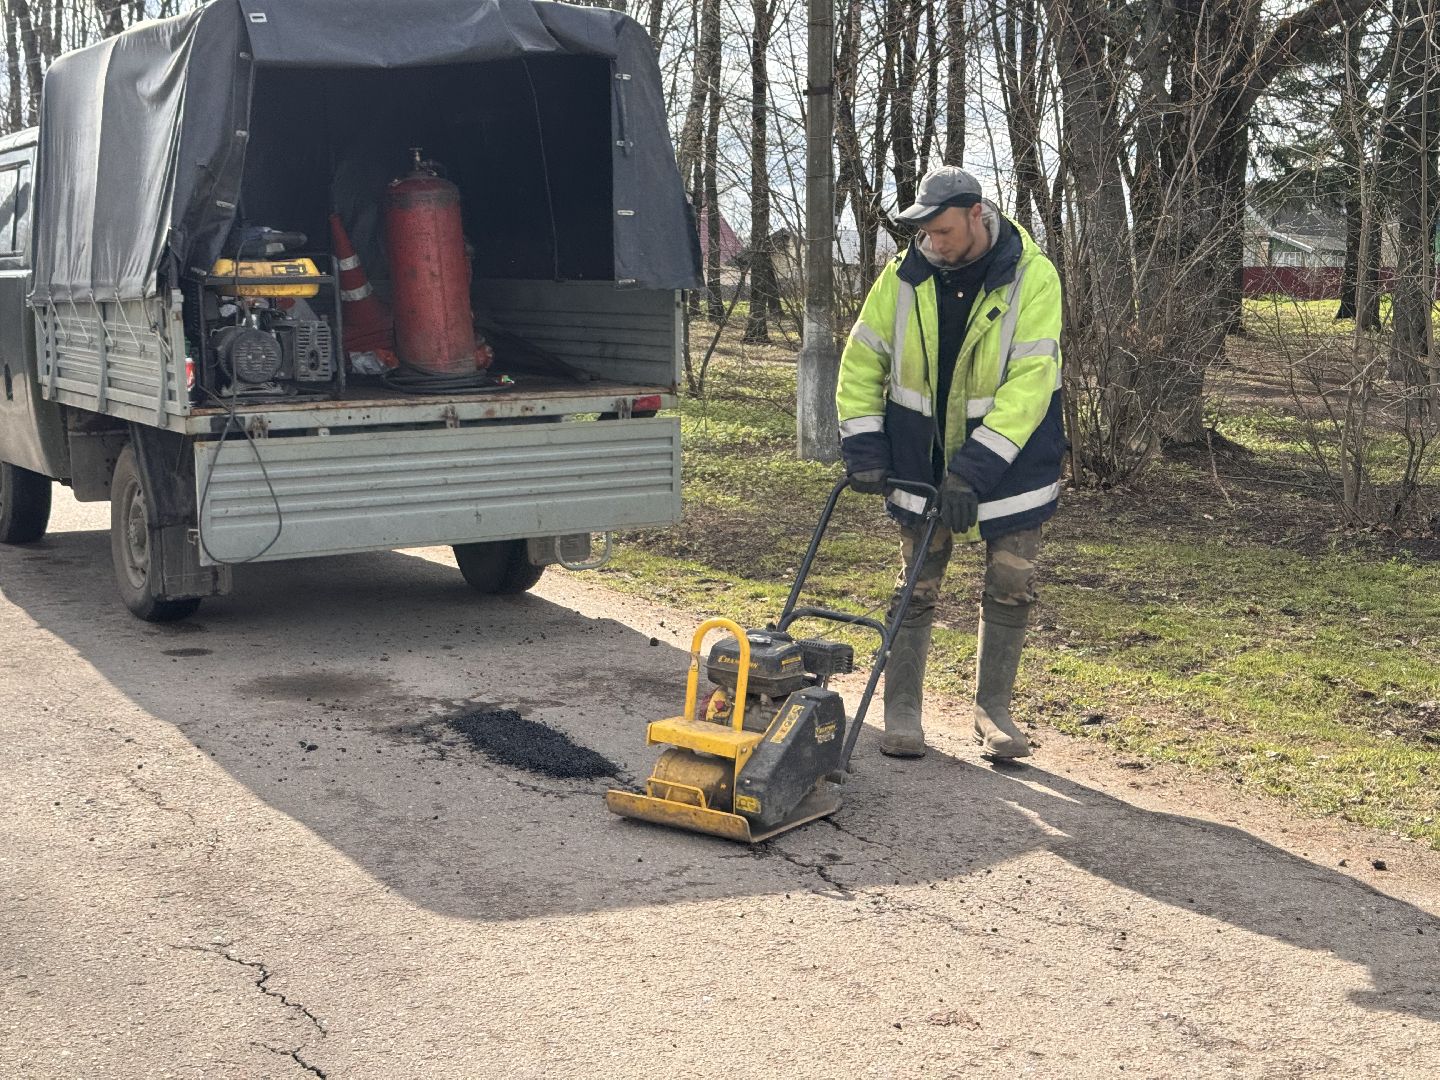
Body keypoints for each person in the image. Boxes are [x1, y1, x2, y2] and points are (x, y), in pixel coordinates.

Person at [836, 165, 1065, 760]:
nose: (934, 244)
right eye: (927, 234)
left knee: (1012, 581)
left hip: (1009, 465)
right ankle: (902, 710)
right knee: (915, 582)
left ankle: (994, 713)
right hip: (921, 458)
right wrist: (864, 447)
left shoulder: (1031, 278)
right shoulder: (903, 278)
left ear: (975, 214)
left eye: (943, 232)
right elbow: (862, 362)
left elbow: (1031, 383)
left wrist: (974, 469)